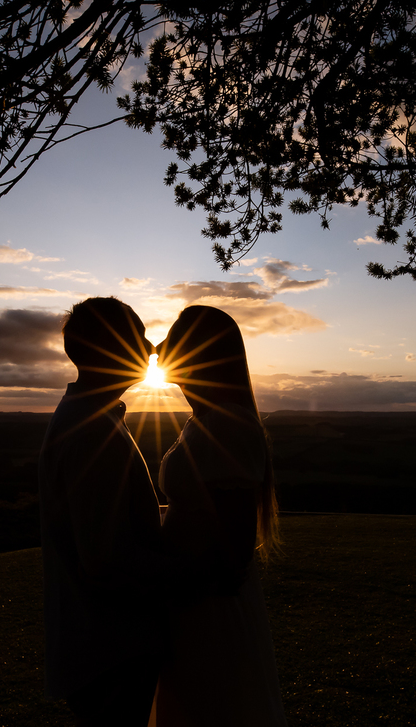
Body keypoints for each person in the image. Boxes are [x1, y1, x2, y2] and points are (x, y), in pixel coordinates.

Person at [39, 297, 206, 726]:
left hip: (98, 643)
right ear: (108, 348)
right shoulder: (91, 431)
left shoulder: (87, 415)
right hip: (109, 647)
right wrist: (194, 571)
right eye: (139, 337)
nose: (150, 348)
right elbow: (106, 556)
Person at [149, 305, 287, 727]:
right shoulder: (205, 419)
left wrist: (185, 584)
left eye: (173, 337)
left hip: (208, 607)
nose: (159, 347)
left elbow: (235, 549)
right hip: (191, 598)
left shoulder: (228, 425)